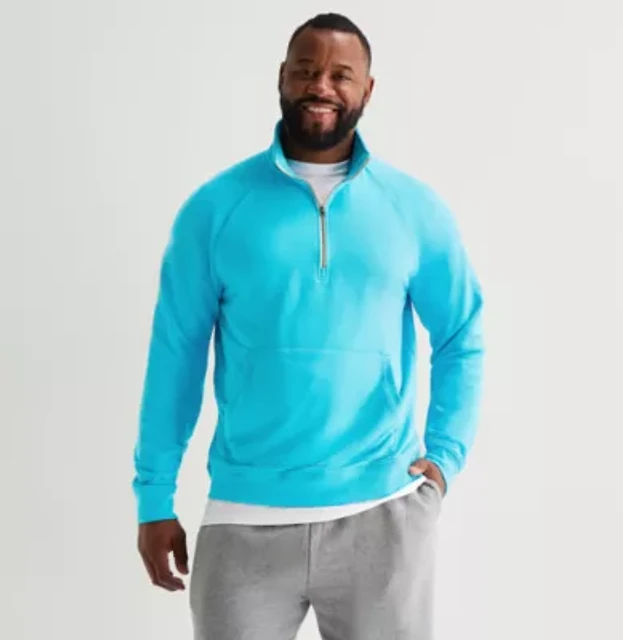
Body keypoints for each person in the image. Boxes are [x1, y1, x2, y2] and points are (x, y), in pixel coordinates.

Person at [133, 12, 484, 640]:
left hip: (382, 512)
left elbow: (462, 335)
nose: (321, 85)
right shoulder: (214, 209)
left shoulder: (413, 209)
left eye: (341, 74)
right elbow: (175, 356)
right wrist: (154, 496)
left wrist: (445, 458)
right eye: (306, 70)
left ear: (367, 90)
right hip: (243, 517)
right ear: (281, 78)